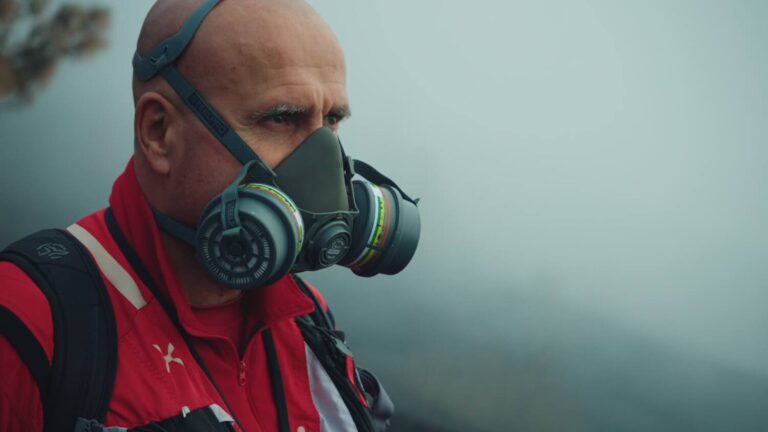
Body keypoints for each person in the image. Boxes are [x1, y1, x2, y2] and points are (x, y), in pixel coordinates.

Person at [0, 0, 420, 431]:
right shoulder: (31, 319)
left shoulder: (308, 318)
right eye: (281, 118)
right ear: (158, 133)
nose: (325, 162)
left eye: (331, 120)